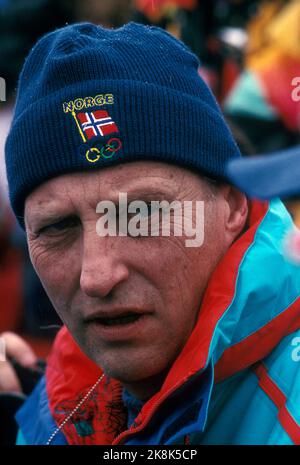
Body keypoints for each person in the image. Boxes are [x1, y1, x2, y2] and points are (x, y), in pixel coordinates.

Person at [4, 22, 300, 445]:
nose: (97, 276)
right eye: (57, 227)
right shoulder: (55, 406)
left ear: (233, 205)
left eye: (140, 214)